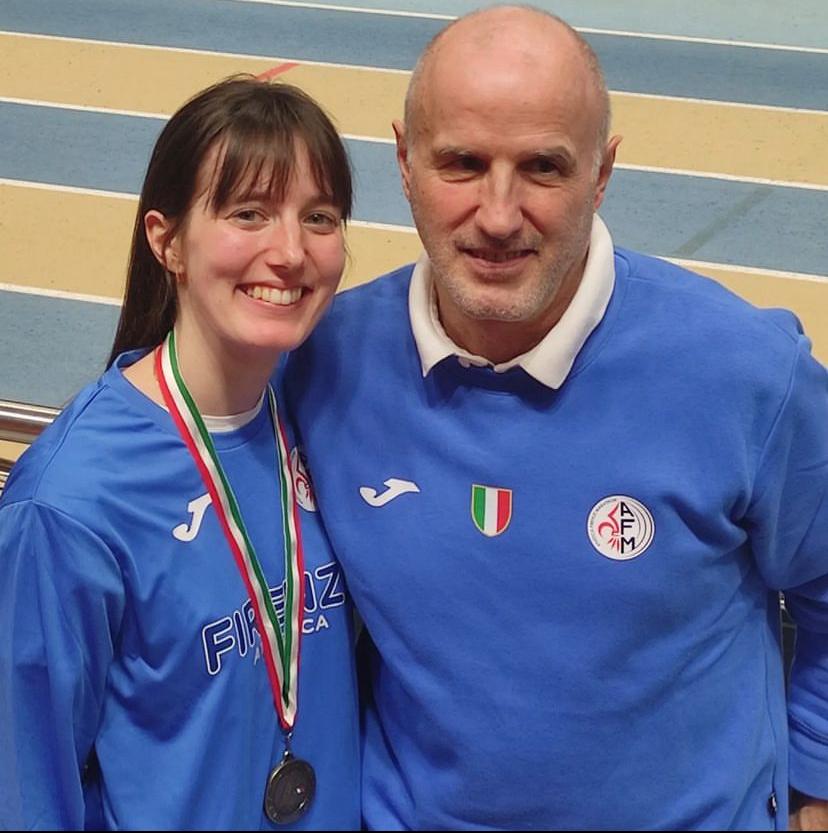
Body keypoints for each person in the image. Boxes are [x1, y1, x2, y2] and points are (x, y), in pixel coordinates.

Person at [283, 6, 828, 830]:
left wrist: (816, 790)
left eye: (543, 167)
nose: (499, 215)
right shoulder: (323, 361)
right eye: (462, 163)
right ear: (404, 162)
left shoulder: (747, 372)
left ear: (602, 175)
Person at [0, 76, 360, 830]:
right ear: (166, 240)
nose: (290, 252)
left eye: (319, 217)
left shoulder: (324, 415)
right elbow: (25, 787)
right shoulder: (69, 503)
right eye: (248, 213)